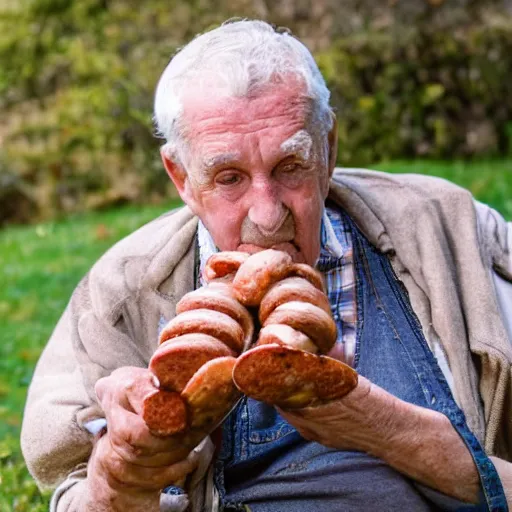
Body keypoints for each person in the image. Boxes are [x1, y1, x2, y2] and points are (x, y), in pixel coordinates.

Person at [21, 19, 512, 511]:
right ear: (182, 177)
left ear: (328, 150)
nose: (267, 214)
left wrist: (376, 423)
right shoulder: (120, 291)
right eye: (229, 177)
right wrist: (118, 483)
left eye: (290, 166)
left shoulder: (453, 235)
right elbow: (78, 490)